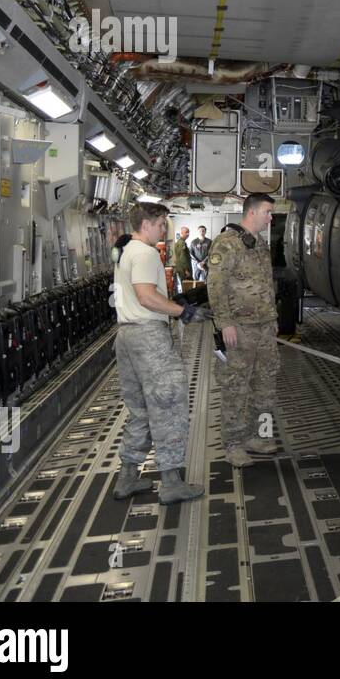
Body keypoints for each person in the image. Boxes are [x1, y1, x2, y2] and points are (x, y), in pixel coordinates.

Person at [111, 201, 211, 504]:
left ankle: (127, 477)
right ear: (147, 224)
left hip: (126, 337)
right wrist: (183, 312)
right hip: (148, 337)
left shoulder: (125, 250)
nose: (163, 227)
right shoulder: (145, 252)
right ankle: (170, 483)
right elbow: (147, 297)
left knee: (139, 409)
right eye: (161, 222)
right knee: (168, 404)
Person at [207, 195, 280, 468]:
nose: (271, 218)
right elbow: (215, 285)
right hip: (239, 329)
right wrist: (224, 322)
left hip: (264, 328)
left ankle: (261, 436)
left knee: (266, 383)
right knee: (235, 385)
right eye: (268, 212)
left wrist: (272, 322)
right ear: (252, 212)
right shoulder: (227, 244)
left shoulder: (260, 244)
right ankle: (234, 444)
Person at [172, 226, 193, 291]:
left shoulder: (179, 242)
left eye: (188, 232)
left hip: (181, 268)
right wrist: (186, 270)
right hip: (184, 270)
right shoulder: (182, 243)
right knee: (188, 287)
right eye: (186, 232)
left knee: (185, 286)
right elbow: (183, 257)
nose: (188, 234)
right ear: (181, 233)